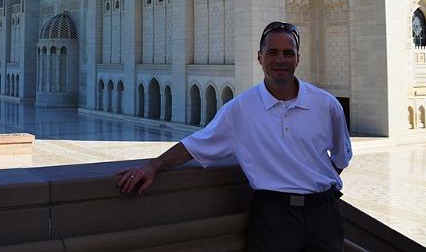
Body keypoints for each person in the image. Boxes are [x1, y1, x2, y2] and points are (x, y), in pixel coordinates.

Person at [117, 21, 352, 251]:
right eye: (272, 52)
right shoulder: (240, 109)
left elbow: (341, 158)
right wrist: (154, 165)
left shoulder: (326, 105)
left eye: (288, 53)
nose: (280, 60)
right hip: (274, 218)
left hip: (324, 215)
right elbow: (195, 146)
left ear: (298, 58)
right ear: (259, 57)